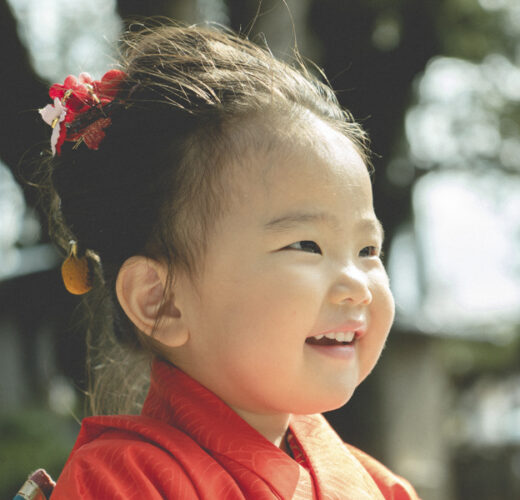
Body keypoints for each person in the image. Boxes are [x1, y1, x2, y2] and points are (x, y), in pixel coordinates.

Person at [38, 23, 419, 499]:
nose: (358, 285)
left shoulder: (379, 486)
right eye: (306, 246)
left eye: (367, 250)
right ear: (161, 300)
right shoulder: (123, 481)